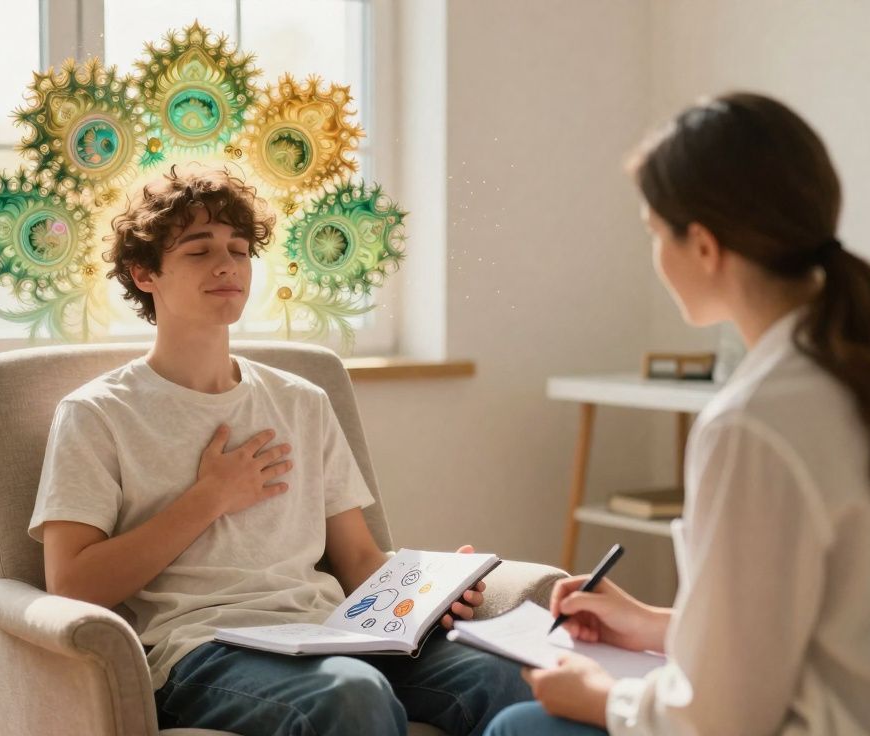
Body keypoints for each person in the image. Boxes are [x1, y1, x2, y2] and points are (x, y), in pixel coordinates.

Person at [486, 92, 870, 735]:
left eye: (654, 234)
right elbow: (837, 631)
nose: (654, 254)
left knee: (519, 726)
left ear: (703, 245)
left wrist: (602, 698)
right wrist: (654, 625)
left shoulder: (753, 423)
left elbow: (722, 721)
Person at [29, 165, 529, 735]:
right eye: (199, 251)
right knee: (350, 694)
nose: (227, 265)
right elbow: (71, 586)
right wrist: (210, 497)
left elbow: (358, 560)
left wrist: (429, 593)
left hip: (331, 633)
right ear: (145, 274)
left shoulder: (301, 401)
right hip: (203, 651)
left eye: (239, 250)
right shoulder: (97, 413)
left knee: (500, 675)